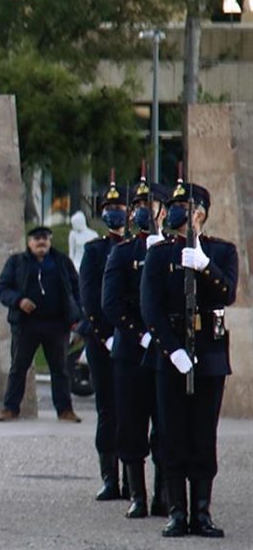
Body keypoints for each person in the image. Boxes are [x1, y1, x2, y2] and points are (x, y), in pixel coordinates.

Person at [141, 178, 237, 538]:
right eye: (175, 207)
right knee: (172, 434)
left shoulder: (222, 252)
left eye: (187, 207)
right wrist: (173, 349)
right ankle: (177, 512)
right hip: (173, 355)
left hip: (210, 355)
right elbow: (150, 308)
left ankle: (202, 511)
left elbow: (227, 293)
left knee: (203, 435)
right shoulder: (160, 253)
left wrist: (203, 265)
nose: (178, 213)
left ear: (201, 214)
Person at [103, 177, 170, 518]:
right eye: (138, 207)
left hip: (166, 353)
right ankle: (137, 495)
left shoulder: (174, 250)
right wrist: (139, 335)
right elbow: (111, 303)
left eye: (149, 206)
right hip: (132, 351)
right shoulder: (123, 252)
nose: (143, 212)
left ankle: (163, 495)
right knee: (131, 425)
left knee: (165, 425)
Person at [0, 226, 83, 422]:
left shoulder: (61, 261)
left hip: (56, 324)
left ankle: (64, 410)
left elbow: (76, 289)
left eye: (44, 239)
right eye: (37, 239)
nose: (41, 243)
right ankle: (10, 408)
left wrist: (77, 316)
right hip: (26, 324)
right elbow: (2, 289)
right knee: (18, 367)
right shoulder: (17, 262)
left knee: (60, 369)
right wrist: (19, 301)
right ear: (29, 242)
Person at [79, 177, 128, 500]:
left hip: (132, 338)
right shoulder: (94, 250)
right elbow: (89, 298)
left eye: (119, 207)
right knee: (108, 409)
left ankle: (133, 477)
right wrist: (105, 335)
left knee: (133, 409)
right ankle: (110, 477)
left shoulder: (138, 247)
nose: (115, 213)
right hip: (103, 340)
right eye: (109, 208)